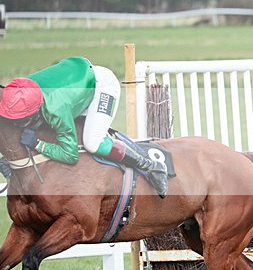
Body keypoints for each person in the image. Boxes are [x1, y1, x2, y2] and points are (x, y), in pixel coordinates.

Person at [0, 56, 168, 197]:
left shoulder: (57, 112)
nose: (16, 124)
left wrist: (37, 144)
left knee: (93, 142)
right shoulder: (20, 90)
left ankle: (150, 166)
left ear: (34, 112)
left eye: (19, 120)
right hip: (76, 79)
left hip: (102, 87)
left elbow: (70, 155)